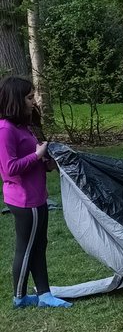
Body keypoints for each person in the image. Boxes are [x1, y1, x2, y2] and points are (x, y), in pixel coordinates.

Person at [0, 76, 72, 309]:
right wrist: (37, 155)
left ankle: (44, 295)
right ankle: (19, 297)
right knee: (26, 247)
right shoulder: (5, 130)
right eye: (30, 97)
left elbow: (31, 160)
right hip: (24, 200)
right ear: (15, 100)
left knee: (40, 245)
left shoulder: (23, 127)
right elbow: (9, 169)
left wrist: (46, 163)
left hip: (37, 196)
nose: (34, 101)